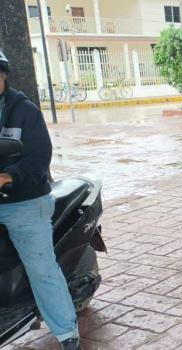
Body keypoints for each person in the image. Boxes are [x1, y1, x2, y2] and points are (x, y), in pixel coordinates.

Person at [0, 51, 80, 350]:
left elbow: (38, 159)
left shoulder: (25, 111)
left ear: (4, 75)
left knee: (41, 267)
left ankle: (67, 334)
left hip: (24, 201)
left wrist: (8, 176)